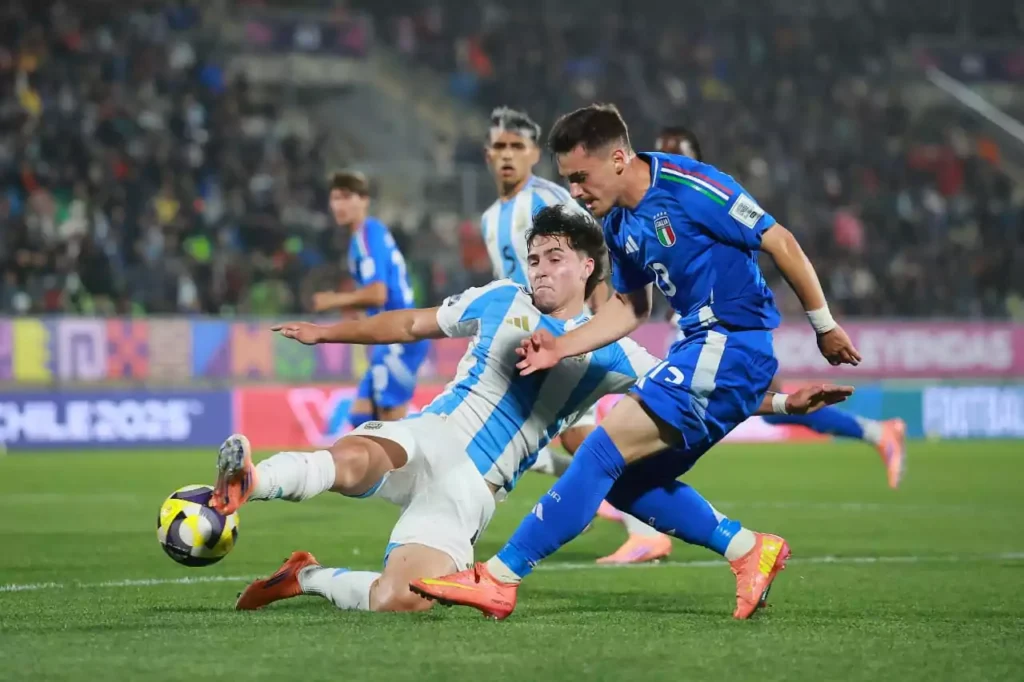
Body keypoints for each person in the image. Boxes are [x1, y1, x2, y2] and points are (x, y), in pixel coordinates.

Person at [209, 204, 851, 615]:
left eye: (553, 259)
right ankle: (253, 481)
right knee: (356, 456)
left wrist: (785, 402)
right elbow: (410, 324)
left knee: (398, 601)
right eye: (533, 258)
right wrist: (330, 333)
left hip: (473, 489)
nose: (539, 270)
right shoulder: (499, 297)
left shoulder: (616, 356)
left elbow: (701, 394)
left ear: (588, 268)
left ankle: (307, 575)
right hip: (434, 433)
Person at [410, 103, 862, 621]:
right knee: (626, 481)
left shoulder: (691, 186)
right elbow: (630, 307)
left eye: (581, 177)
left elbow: (779, 241)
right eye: (568, 180)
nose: (575, 192)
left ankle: (499, 578)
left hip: (731, 343)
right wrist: (562, 344)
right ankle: (747, 550)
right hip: (702, 351)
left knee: (600, 451)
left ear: (620, 159)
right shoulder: (619, 224)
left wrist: (824, 326)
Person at [656, 126, 905, 488]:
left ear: (697, 158)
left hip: (732, 326)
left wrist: (821, 323)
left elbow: (765, 244)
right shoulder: (658, 210)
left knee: (708, 409)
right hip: (702, 326)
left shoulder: (711, 198)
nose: (668, 161)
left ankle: (643, 512)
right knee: (765, 405)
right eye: (662, 153)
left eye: (677, 153)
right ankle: (878, 432)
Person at [481, 105, 671, 564]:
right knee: (551, 435)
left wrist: (598, 317)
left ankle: (639, 522)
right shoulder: (492, 217)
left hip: (570, 335)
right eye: (500, 147)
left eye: (518, 147)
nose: (508, 156)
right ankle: (596, 502)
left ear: (532, 154)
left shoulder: (548, 200)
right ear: (488, 155)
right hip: (533, 340)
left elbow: (596, 250)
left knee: (570, 435)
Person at [310, 171, 429, 426]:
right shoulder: (364, 237)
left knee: (390, 427)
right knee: (361, 417)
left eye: (346, 197)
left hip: (400, 335)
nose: (338, 205)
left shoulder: (367, 235)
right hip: (387, 334)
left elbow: (378, 294)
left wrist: (334, 300)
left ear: (364, 200)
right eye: (334, 198)